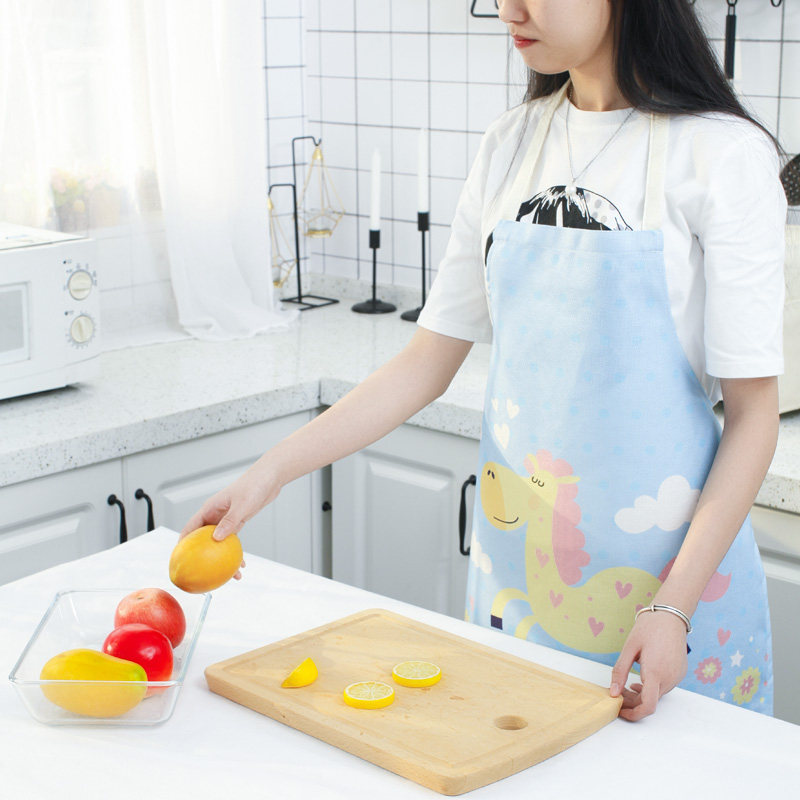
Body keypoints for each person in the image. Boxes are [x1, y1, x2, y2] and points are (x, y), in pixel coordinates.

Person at [181, 0, 787, 722]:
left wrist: (672, 609)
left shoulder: (722, 154)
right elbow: (424, 363)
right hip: (523, 582)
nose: (509, 9)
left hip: (676, 602)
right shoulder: (511, 144)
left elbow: (754, 416)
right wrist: (270, 471)